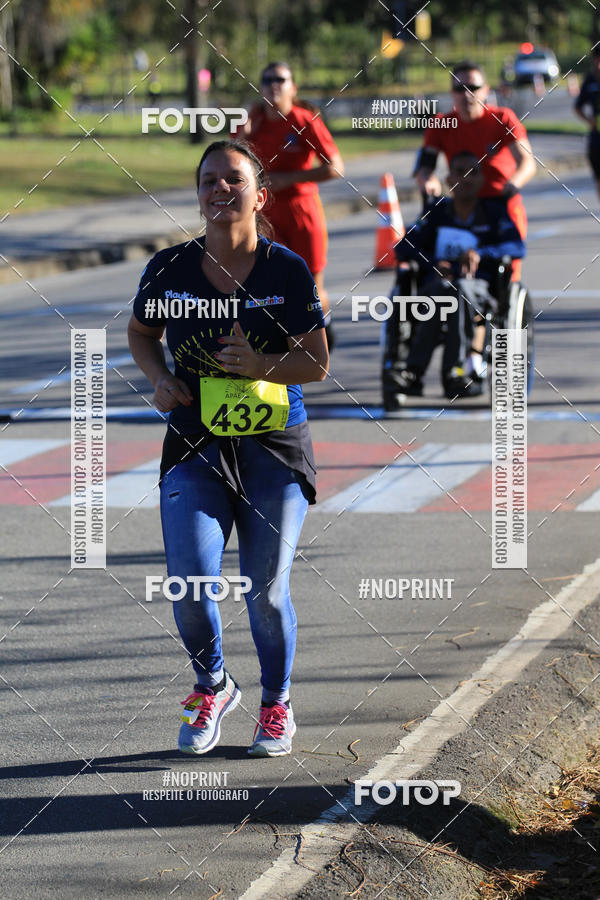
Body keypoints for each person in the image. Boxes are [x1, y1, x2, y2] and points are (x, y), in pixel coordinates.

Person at [127, 140, 329, 758]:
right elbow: (140, 331)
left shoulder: (285, 269)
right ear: (198, 194)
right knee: (189, 584)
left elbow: (317, 361)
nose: (220, 189)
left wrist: (265, 362)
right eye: (209, 180)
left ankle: (276, 702)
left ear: (259, 195)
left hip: (273, 448)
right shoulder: (169, 270)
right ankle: (212, 684)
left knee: (264, 590)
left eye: (234, 179)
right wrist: (158, 377)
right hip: (196, 442)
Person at [389, 151, 525, 403]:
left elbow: (516, 247)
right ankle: (414, 372)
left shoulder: (493, 212)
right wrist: (432, 261)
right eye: (459, 172)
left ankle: (455, 369)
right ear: (449, 178)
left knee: (459, 289)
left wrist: (480, 253)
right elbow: (404, 247)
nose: (466, 178)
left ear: (482, 178)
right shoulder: (437, 211)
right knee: (443, 292)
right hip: (438, 286)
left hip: (480, 289)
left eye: (473, 172)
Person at [237, 61, 344, 349]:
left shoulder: (303, 120)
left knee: (310, 282)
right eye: (267, 79)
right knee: (270, 282)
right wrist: (242, 134)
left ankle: (324, 329)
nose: (274, 84)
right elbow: (232, 164)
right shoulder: (252, 122)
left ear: (292, 88)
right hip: (265, 214)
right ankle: (279, 344)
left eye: (280, 80)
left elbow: (335, 167)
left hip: (302, 209)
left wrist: (289, 179)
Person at [413, 61, 536, 244]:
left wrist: (513, 184)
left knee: (504, 266)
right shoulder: (441, 125)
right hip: (464, 210)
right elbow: (424, 168)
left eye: (473, 88)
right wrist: (428, 181)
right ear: (451, 93)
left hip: (502, 205)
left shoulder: (502, 119)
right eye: (460, 89)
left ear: (486, 90)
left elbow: (527, 162)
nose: (467, 94)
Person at [574, 46, 600, 202]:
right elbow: (577, 107)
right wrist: (589, 120)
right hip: (596, 139)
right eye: (596, 62)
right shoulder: (589, 80)